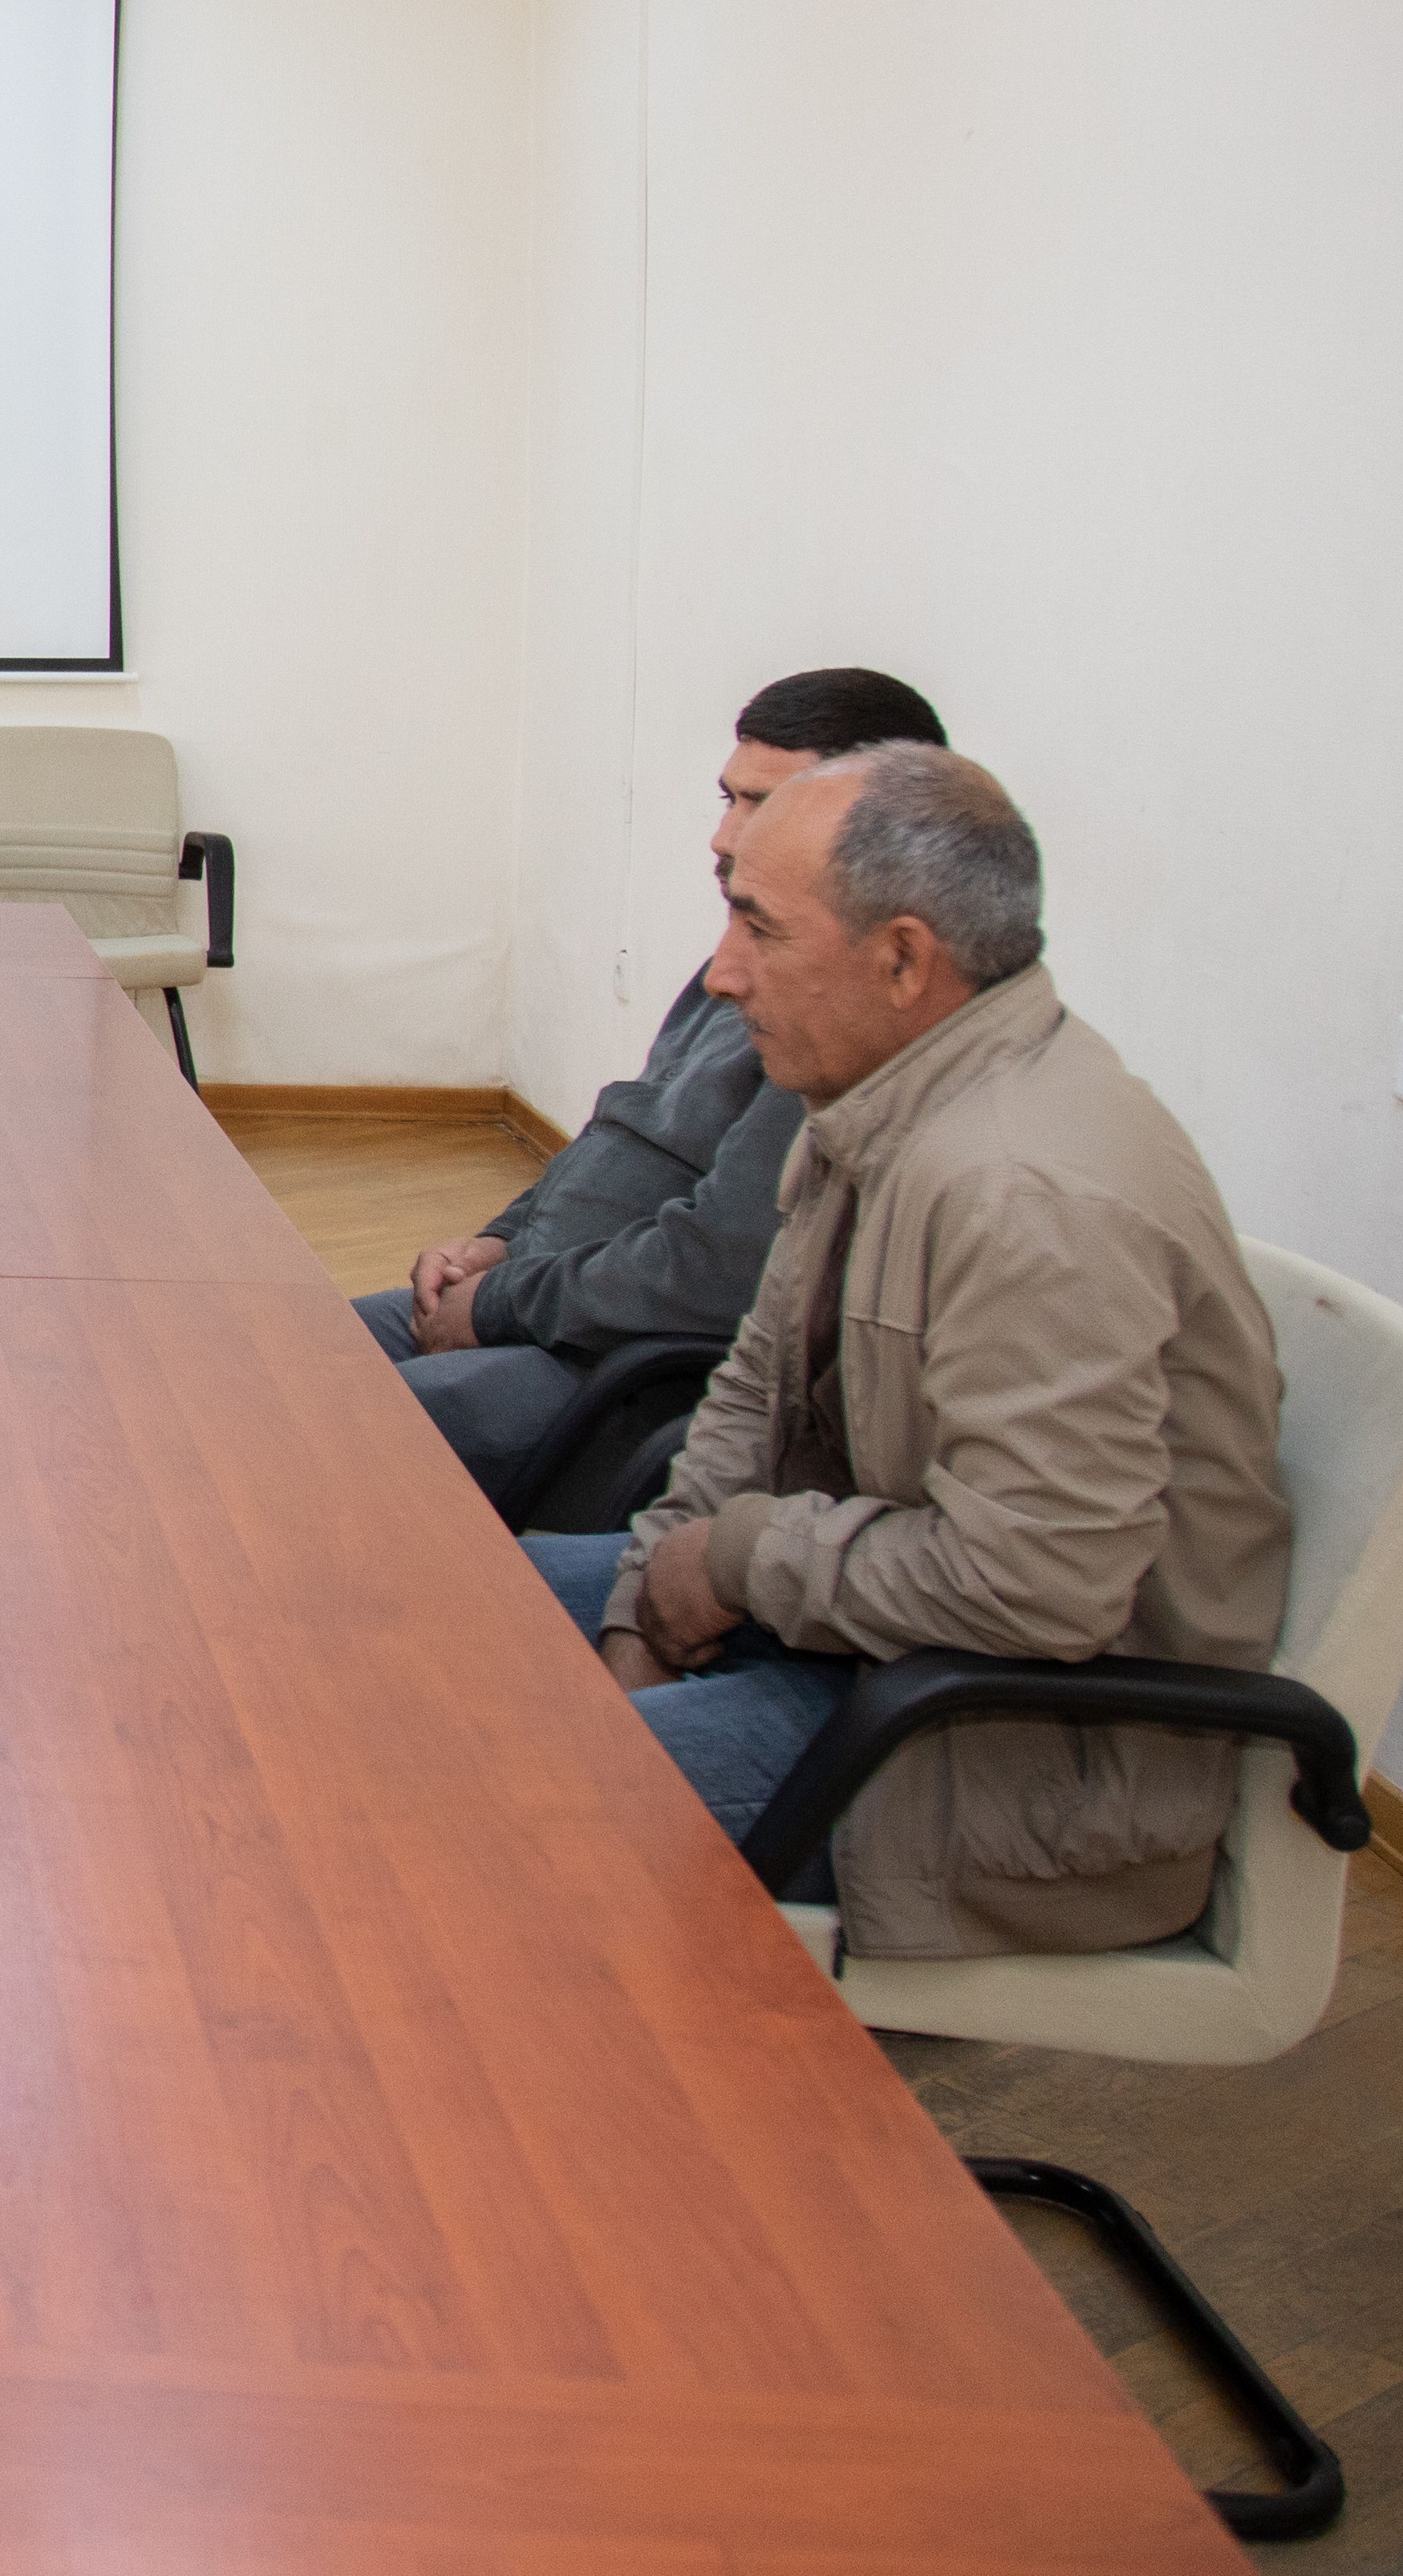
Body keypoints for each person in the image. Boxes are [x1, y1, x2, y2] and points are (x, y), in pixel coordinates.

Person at [525, 747, 1287, 1958]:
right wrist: (640, 1616)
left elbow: (1038, 1580)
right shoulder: (877, 1096)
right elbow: (750, 1394)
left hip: (999, 1756)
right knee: (430, 1619)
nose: (722, 973)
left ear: (900, 959)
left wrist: (731, 1558)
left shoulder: (1021, 1191)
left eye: (759, 927)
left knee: (492, 1806)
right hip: (872, 1641)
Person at [366, 667, 951, 1502]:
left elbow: (714, 1265)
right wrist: (497, 1241)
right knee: (267, 1353)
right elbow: (621, 1138)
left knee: (329, 1424)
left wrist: (498, 1302)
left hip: (609, 1362)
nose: (723, 835)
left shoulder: (832, 1023)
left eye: (761, 805)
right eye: (727, 798)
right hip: (536, 1293)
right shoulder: (739, 965)